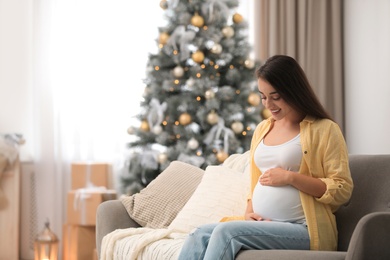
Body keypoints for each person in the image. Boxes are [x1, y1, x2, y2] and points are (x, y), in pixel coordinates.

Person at [177, 55, 354, 259]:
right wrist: (248, 213)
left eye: (275, 96)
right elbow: (255, 183)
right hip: (264, 226)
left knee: (227, 233)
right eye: (262, 96)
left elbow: (342, 189)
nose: (268, 104)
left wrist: (291, 178)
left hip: (304, 229)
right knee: (197, 234)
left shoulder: (324, 129)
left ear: (293, 91)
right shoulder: (263, 128)